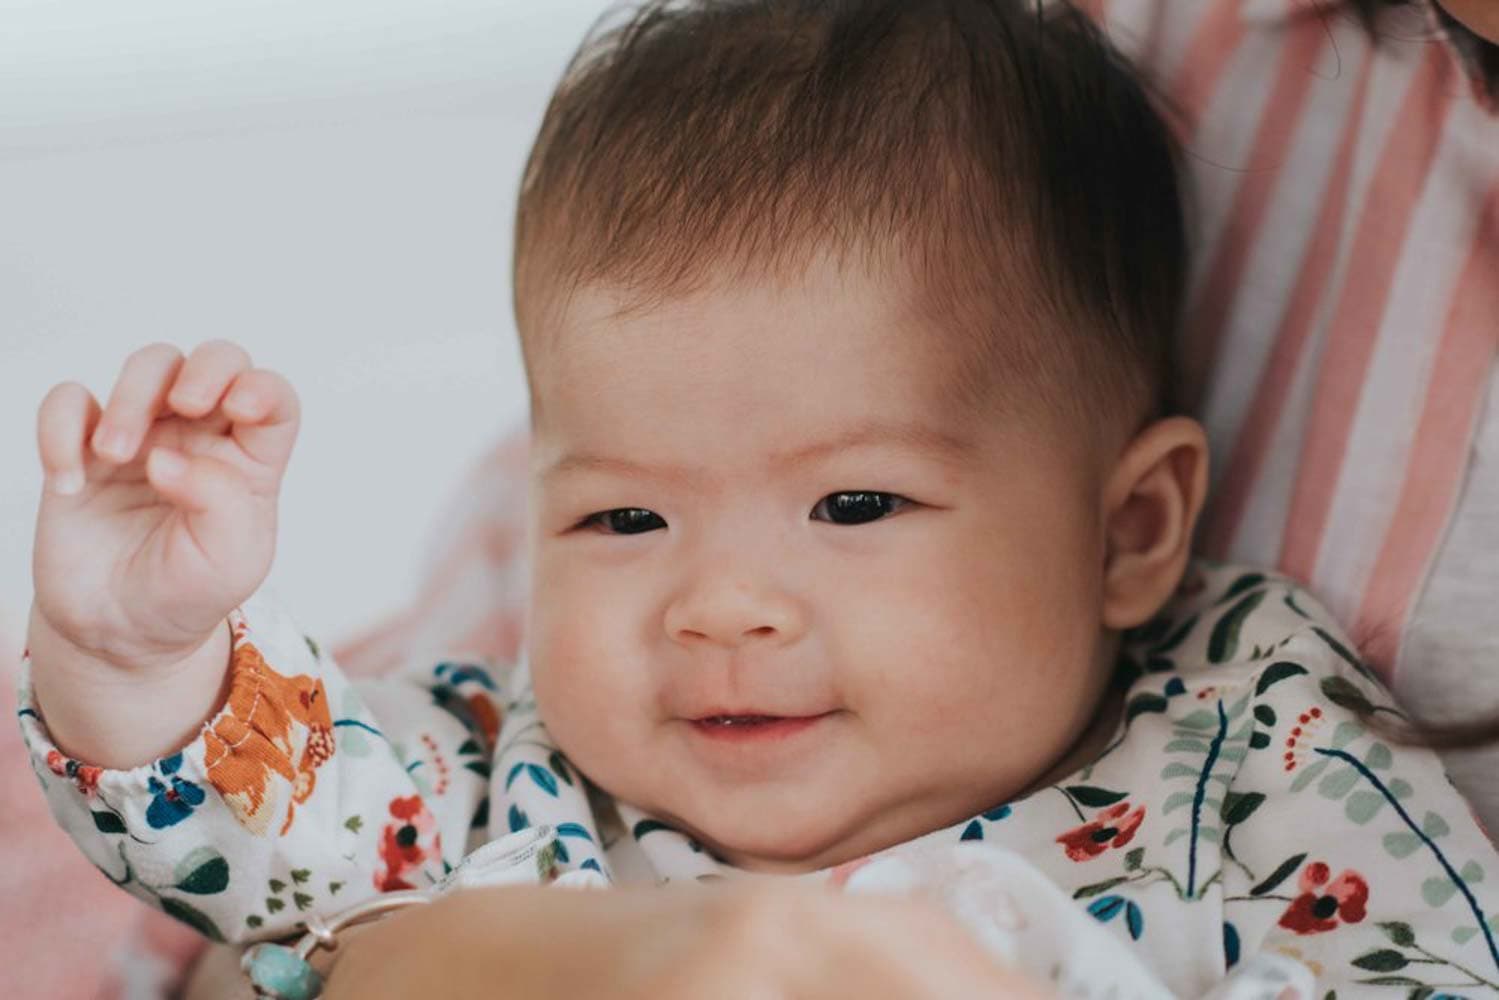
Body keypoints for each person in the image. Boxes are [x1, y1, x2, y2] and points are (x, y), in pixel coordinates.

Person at [18, 1, 1499, 996]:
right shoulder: (509, 765)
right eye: (622, 520)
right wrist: (143, 657)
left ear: (1131, 530)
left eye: (855, 507)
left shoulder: (1253, 741)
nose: (717, 604)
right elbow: (259, 852)